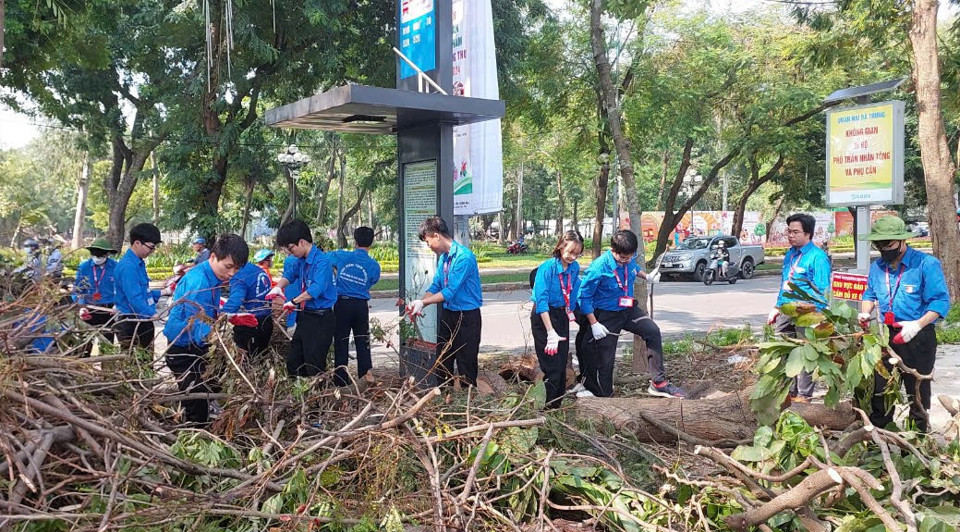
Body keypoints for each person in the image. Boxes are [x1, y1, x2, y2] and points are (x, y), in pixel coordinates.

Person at [860, 216, 950, 432]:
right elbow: (869, 294)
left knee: (917, 392)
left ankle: (915, 442)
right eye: (879, 245)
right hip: (889, 337)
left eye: (888, 244)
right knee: (881, 391)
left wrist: (917, 325)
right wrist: (864, 313)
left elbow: (940, 301)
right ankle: (880, 440)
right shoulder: (877, 267)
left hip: (918, 336)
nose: (884, 249)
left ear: (902, 241)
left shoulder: (925, 264)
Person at [575, 230, 684, 399]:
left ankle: (658, 383)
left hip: (627, 309)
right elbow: (584, 297)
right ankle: (606, 398)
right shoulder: (598, 268)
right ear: (613, 250)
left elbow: (633, 268)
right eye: (622, 258)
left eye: (629, 257)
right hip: (604, 315)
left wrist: (647, 276)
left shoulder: (629, 261)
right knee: (605, 360)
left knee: (652, 331)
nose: (626, 261)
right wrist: (594, 323)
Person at [163, 234, 248, 425]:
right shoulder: (199, 282)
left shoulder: (213, 278)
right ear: (213, 257)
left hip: (198, 346)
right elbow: (195, 322)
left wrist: (229, 318)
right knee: (196, 403)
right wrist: (221, 333)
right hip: (183, 348)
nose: (232, 273)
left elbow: (209, 314)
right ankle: (193, 439)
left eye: (236, 268)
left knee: (209, 387)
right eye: (228, 266)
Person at [406, 216, 483, 387]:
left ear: (436, 236)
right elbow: (436, 285)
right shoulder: (444, 258)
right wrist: (419, 303)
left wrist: (424, 303)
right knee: (443, 359)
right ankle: (444, 398)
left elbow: (449, 291)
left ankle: (467, 402)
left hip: (467, 317)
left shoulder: (464, 257)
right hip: (449, 315)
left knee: (466, 362)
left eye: (427, 241)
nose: (428, 246)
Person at [766, 213, 831, 404]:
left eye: (796, 232)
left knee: (804, 355)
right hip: (787, 310)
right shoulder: (790, 254)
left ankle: (804, 396)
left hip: (807, 313)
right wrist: (777, 307)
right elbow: (784, 283)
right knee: (783, 351)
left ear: (808, 234)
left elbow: (822, 291)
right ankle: (788, 391)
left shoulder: (817, 258)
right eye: (789, 231)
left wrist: (815, 318)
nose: (791, 235)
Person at [268, 220, 338, 379]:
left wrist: (293, 302)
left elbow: (315, 290)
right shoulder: (300, 261)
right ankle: (298, 397)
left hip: (321, 319)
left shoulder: (322, 262)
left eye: (290, 247)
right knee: (294, 361)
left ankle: (318, 399)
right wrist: (278, 287)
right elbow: (290, 275)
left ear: (302, 242)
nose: (289, 252)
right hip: (306, 317)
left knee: (313, 365)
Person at [530, 230, 583, 409]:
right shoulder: (547, 268)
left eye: (577, 253)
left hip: (561, 315)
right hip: (544, 317)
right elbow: (541, 301)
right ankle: (545, 409)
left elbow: (573, 294)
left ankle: (556, 408)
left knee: (561, 366)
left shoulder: (574, 268)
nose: (573, 257)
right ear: (560, 247)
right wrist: (550, 331)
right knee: (552, 368)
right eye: (570, 252)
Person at [330, 227, 381, 385]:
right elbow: (372, 281)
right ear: (371, 243)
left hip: (342, 303)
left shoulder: (342, 256)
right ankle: (365, 375)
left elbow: (326, 259)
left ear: (355, 241)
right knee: (362, 340)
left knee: (341, 340)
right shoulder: (374, 265)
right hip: (360, 306)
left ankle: (340, 379)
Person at [115, 223, 171, 350]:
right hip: (131, 322)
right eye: (151, 247)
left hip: (143, 320)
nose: (152, 251)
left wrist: (163, 292)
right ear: (137, 243)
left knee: (146, 361)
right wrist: (153, 314)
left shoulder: (139, 263)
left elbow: (144, 292)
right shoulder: (128, 267)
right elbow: (134, 298)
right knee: (135, 363)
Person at [222, 249, 275, 360]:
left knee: (244, 360)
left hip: (249, 324)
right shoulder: (255, 269)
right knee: (260, 358)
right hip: (267, 320)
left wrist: (219, 317)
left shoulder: (240, 276)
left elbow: (234, 303)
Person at [74, 239, 119, 336]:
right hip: (88, 310)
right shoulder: (84, 268)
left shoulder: (116, 267)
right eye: (95, 254)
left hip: (109, 311)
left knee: (107, 343)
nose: (98, 258)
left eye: (101, 255)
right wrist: (81, 307)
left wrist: (118, 304)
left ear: (107, 254)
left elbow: (121, 289)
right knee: (85, 343)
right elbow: (77, 290)